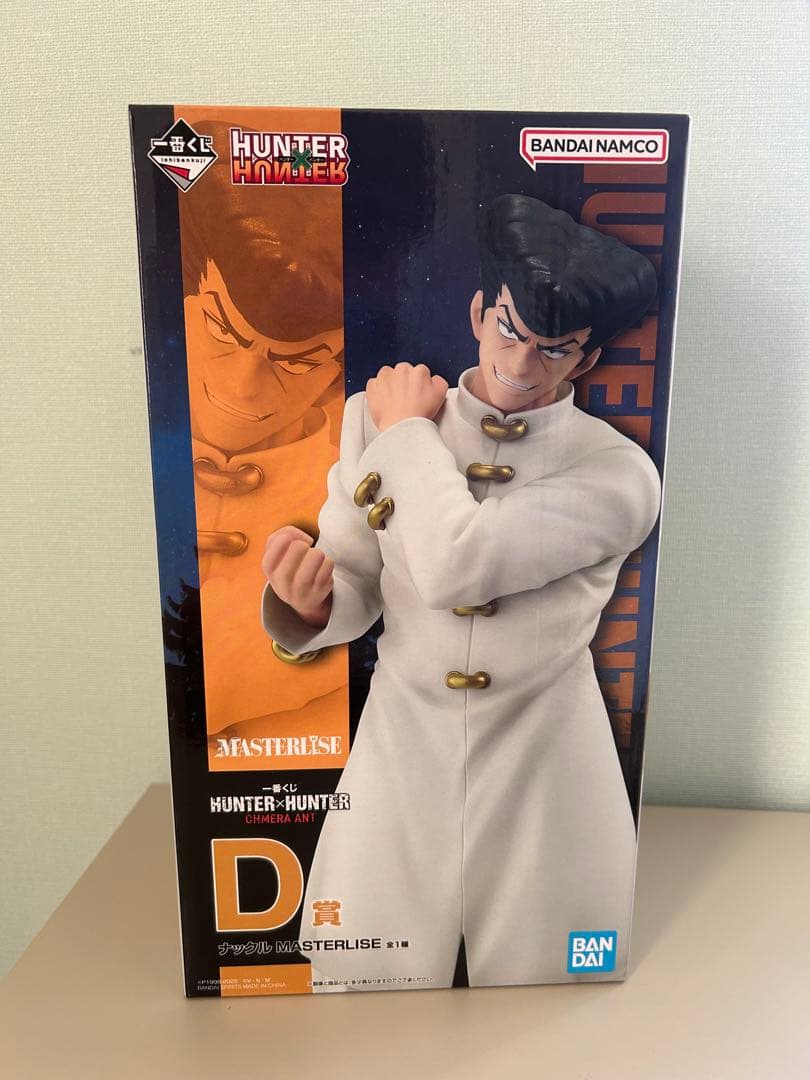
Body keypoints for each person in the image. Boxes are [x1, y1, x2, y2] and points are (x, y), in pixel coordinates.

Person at [261, 194, 661, 988]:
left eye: (554, 348)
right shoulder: (371, 421)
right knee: (361, 983)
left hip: (546, 762)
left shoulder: (618, 474)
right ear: (480, 313)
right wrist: (310, 604)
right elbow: (359, 578)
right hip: (401, 747)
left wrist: (408, 433)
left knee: (551, 994)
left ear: (584, 360)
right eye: (510, 328)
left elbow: (455, 567)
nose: (521, 364)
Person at [179, 119, 347, 767]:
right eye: (221, 327)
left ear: (337, 371)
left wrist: (298, 623)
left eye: (299, 362)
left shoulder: (363, 484)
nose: (244, 385)